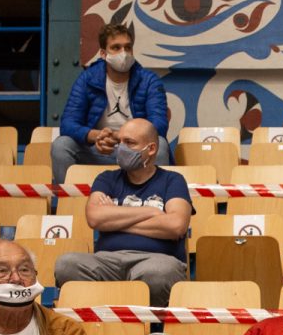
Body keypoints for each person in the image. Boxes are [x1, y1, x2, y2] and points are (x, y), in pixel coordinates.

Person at [53, 118, 192, 307]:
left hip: (155, 260)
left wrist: (115, 216)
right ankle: (98, 324)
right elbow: (94, 218)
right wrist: (151, 212)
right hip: (106, 261)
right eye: (120, 142)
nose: (121, 149)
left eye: (130, 143)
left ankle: (148, 327)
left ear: (150, 149)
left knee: (159, 272)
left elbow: (176, 226)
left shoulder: (172, 180)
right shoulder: (107, 178)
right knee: (66, 264)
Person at [52, 23, 171, 188]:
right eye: (116, 47)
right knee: (61, 145)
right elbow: (68, 124)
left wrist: (120, 137)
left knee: (161, 145)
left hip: (136, 150)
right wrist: (96, 136)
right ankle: (65, 204)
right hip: (99, 149)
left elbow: (159, 125)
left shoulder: (149, 80)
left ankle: (158, 200)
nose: (124, 53)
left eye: (128, 47)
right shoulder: (87, 79)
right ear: (103, 53)